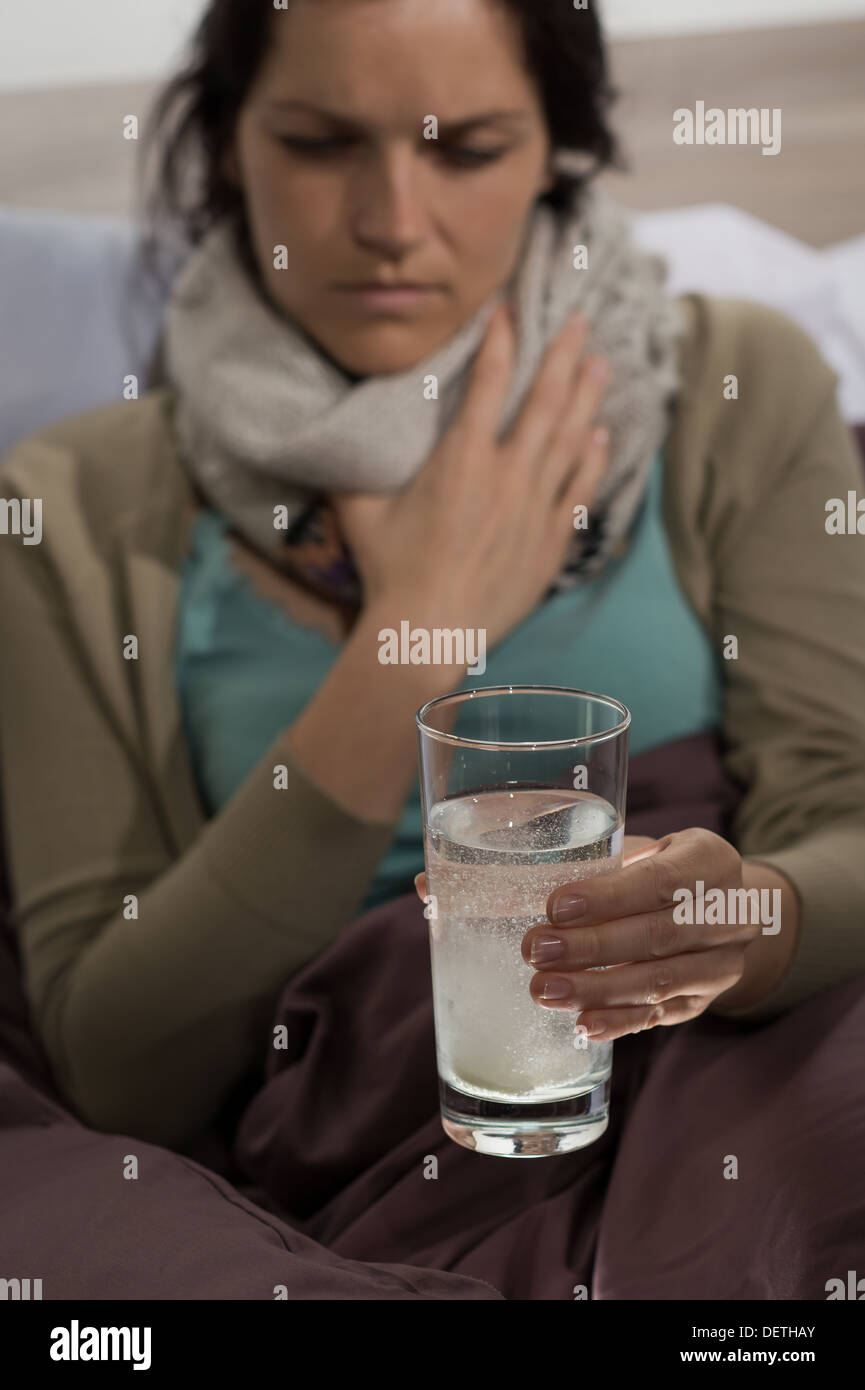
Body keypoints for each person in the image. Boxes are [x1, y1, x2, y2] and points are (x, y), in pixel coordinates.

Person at [0, 0, 864, 1157]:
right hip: (362, 1154)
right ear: (225, 145)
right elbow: (123, 1067)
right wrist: (420, 628)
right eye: (319, 143)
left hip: (730, 1099)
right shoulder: (67, 503)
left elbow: (845, 819)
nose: (391, 222)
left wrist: (729, 928)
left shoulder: (736, 381)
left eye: (466, 148)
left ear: (555, 151)